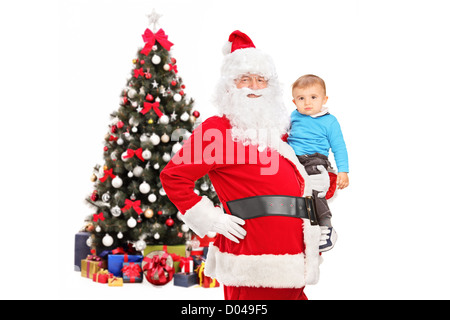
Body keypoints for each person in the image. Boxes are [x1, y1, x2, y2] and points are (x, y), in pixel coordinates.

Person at [160, 31, 334, 300]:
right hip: (251, 266)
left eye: (260, 79)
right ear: (229, 87)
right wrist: (211, 218)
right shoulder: (216, 131)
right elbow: (173, 177)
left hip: (296, 263)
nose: (254, 86)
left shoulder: (283, 131)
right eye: (244, 79)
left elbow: (306, 177)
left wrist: (326, 185)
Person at [287, 75, 348, 251]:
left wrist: (343, 171)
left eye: (313, 97)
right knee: (286, 185)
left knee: (315, 187)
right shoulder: (294, 116)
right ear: (294, 102)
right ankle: (296, 224)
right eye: (301, 98)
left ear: (324, 99)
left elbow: (339, 147)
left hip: (315, 159)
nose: (307, 102)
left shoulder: (329, 121)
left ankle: (325, 224)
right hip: (292, 158)